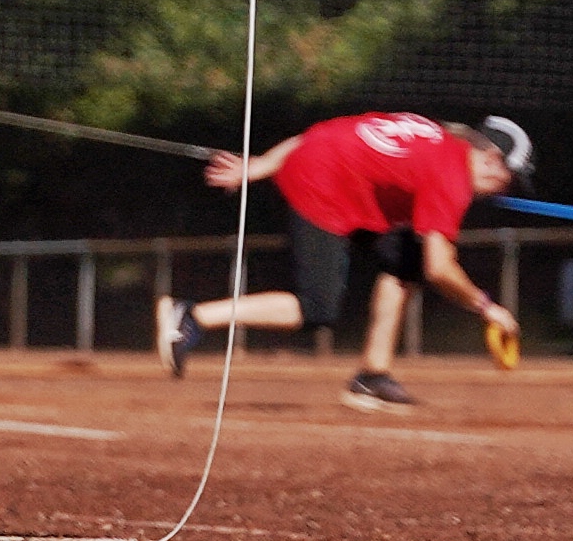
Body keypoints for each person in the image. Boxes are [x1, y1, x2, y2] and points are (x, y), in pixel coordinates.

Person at [156, 109, 529, 408]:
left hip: (336, 175)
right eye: (509, 182)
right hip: (321, 187)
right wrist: (487, 308)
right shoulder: (451, 177)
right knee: (317, 308)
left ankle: (372, 377)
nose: (503, 192)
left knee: (407, 263)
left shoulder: (437, 138)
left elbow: (320, 133)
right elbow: (441, 266)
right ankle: (191, 318)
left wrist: (262, 165)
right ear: (494, 160)